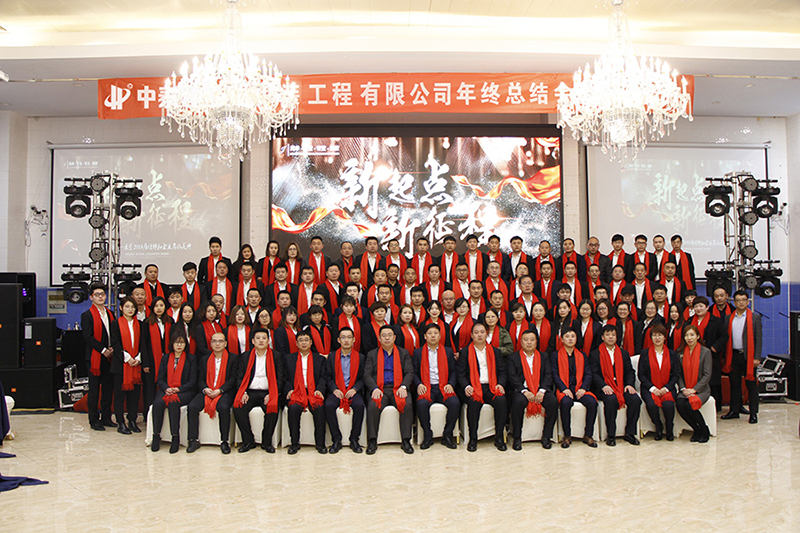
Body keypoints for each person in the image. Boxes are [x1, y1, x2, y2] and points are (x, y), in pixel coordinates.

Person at [364, 325, 415, 454]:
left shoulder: (403, 353)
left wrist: (404, 386)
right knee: (372, 406)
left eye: (389, 335)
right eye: (384, 335)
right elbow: (367, 374)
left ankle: (406, 440)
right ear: (379, 338)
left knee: (407, 404)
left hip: (398, 387)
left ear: (394, 337)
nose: (387, 338)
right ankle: (372, 440)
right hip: (380, 388)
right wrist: (374, 388)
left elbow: (409, 372)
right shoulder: (372, 354)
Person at [233, 328, 285, 453]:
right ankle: (248, 441)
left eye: (264, 338)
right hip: (250, 392)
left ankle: (266, 443)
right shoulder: (245, 356)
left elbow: (281, 378)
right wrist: (243, 392)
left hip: (268, 392)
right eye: (258, 338)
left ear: (268, 340)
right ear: (253, 341)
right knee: (238, 408)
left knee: (272, 409)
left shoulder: (276, 356)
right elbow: (239, 377)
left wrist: (273, 394)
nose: (261, 341)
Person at [458, 322, 508, 452]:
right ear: (471, 335)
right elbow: (460, 374)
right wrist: (466, 386)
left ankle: (499, 438)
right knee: (474, 402)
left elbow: (502, 371)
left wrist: (500, 384)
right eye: (476, 332)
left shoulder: (495, 351)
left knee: (501, 401)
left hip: (491, 386)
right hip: (474, 387)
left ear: (486, 334)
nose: (479, 335)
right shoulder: (465, 352)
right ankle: (473, 438)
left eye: (482, 332)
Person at [186, 332, 238, 454]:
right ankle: (193, 439)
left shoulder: (233, 358)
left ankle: (224, 441)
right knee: (192, 406)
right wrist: (205, 389)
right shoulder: (204, 359)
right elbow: (200, 379)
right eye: (214, 341)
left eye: (220, 341)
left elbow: (233, 379)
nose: (217, 344)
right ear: (210, 344)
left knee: (223, 407)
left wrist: (220, 390)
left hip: (224, 392)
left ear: (225, 343)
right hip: (208, 391)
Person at [591, 325, 642, 446]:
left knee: (635, 400)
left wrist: (629, 384)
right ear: (602, 337)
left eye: (613, 335)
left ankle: (630, 433)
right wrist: (603, 385)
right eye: (608, 335)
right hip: (603, 387)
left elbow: (630, 372)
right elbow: (594, 374)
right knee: (611, 400)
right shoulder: (595, 354)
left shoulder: (623, 353)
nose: (611, 337)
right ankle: (611, 435)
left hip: (621, 386)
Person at [508, 330, 558, 450]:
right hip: (522, 390)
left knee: (553, 402)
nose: (529, 342)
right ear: (521, 342)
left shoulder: (544, 356)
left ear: (536, 342)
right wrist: (524, 391)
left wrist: (542, 390)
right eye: (526, 340)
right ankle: (517, 437)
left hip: (540, 389)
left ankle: (546, 436)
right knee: (518, 402)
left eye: (532, 340)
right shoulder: (513, 357)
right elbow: (512, 377)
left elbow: (548, 375)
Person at [413, 324, 460, 449]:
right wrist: (419, 384)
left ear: (440, 336)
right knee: (421, 404)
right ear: (425, 336)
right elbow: (414, 372)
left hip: (443, 386)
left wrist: (450, 384)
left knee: (455, 403)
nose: (433, 336)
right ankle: (428, 435)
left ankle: (447, 435)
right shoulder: (418, 352)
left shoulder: (448, 351)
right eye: (430, 333)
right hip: (427, 387)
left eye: (435, 333)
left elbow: (453, 371)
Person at [151, 332, 197, 453]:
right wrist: (166, 388)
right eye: (176, 343)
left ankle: (175, 437)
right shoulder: (166, 358)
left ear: (185, 344)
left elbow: (192, 381)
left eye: (182, 343)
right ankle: (156, 435)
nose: (179, 345)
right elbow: (160, 378)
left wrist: (178, 389)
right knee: (158, 404)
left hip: (183, 391)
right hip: (166, 389)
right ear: (172, 344)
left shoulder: (191, 358)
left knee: (173, 403)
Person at [551, 328, 598, 448]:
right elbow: (555, 375)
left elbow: (588, 374)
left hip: (580, 388)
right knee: (566, 403)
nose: (570, 339)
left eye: (573, 336)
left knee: (592, 402)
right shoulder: (555, 355)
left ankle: (588, 435)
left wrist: (583, 388)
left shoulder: (582, 355)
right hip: (564, 389)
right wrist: (563, 388)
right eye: (567, 336)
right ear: (562, 339)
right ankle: (567, 436)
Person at [722, 289, 763, 423]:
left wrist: (757, 357)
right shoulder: (729, 318)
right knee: (734, 384)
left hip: (749, 357)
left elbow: (758, 339)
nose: (741, 303)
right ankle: (734, 410)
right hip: (733, 355)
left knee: (751, 385)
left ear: (747, 302)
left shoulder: (755, 318)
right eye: (738, 300)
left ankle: (753, 413)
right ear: (734, 302)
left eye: (743, 300)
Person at [284, 331, 328, 454]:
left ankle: (320, 443)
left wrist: (320, 389)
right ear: (296, 343)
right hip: (296, 391)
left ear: (311, 342)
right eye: (301, 340)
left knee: (319, 408)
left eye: (306, 340)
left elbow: (324, 377)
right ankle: (294, 443)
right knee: (293, 408)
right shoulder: (289, 359)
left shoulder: (319, 359)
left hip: (313, 391)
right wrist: (289, 389)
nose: (304, 343)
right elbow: (284, 378)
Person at [81, 283, 116, 431]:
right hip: (95, 357)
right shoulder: (87, 315)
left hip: (110, 357)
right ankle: (94, 420)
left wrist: (112, 347)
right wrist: (103, 350)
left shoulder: (110, 313)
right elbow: (87, 337)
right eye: (97, 294)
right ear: (91, 297)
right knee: (94, 390)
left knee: (108, 388)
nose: (100, 297)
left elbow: (114, 333)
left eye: (102, 294)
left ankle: (106, 417)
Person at [325, 327, 365, 454]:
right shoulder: (332, 357)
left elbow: (363, 378)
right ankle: (336, 439)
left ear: (354, 340)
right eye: (343, 337)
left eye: (349, 337)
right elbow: (327, 377)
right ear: (338, 340)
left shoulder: (360, 357)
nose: (346, 340)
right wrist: (334, 389)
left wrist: (355, 389)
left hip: (352, 390)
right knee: (328, 405)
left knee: (359, 405)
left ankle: (354, 439)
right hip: (337, 390)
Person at [637, 324, 681, 441]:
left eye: (660, 335)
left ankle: (669, 427)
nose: (657, 338)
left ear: (665, 337)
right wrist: (653, 389)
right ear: (651, 337)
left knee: (668, 405)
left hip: (667, 387)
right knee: (651, 405)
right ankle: (658, 426)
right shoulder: (645, 353)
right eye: (654, 335)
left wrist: (666, 388)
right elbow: (642, 375)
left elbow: (675, 374)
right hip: (649, 388)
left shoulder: (672, 354)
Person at [109, 296, 143, 435]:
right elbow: (115, 342)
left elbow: (143, 343)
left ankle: (132, 420)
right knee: (119, 396)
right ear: (121, 308)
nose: (130, 309)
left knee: (134, 396)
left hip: (136, 365)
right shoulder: (115, 323)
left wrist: (138, 358)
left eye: (133, 307)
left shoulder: (140, 324)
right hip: (121, 365)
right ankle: (121, 423)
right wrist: (127, 358)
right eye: (127, 306)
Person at [675, 324, 713, 442]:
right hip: (685, 388)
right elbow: (678, 374)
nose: (689, 338)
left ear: (698, 336)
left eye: (692, 335)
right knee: (680, 404)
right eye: (686, 335)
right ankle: (696, 429)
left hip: (701, 390)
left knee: (689, 405)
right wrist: (683, 389)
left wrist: (694, 389)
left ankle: (704, 429)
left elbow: (707, 374)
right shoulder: (680, 352)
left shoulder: (705, 352)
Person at [691, 296, 727, 410]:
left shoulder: (715, 321)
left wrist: (715, 347)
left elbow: (724, 336)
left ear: (707, 307)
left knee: (713, 381)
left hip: (711, 355)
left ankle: (716, 406)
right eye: (696, 306)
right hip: (694, 355)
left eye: (701, 306)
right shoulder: (690, 321)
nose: (698, 308)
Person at [142, 296, 172, 409]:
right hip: (151, 360)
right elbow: (143, 345)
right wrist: (145, 363)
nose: (159, 308)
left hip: (167, 360)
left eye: (161, 305)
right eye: (156, 306)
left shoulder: (170, 322)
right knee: (150, 389)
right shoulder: (147, 323)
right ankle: (148, 413)